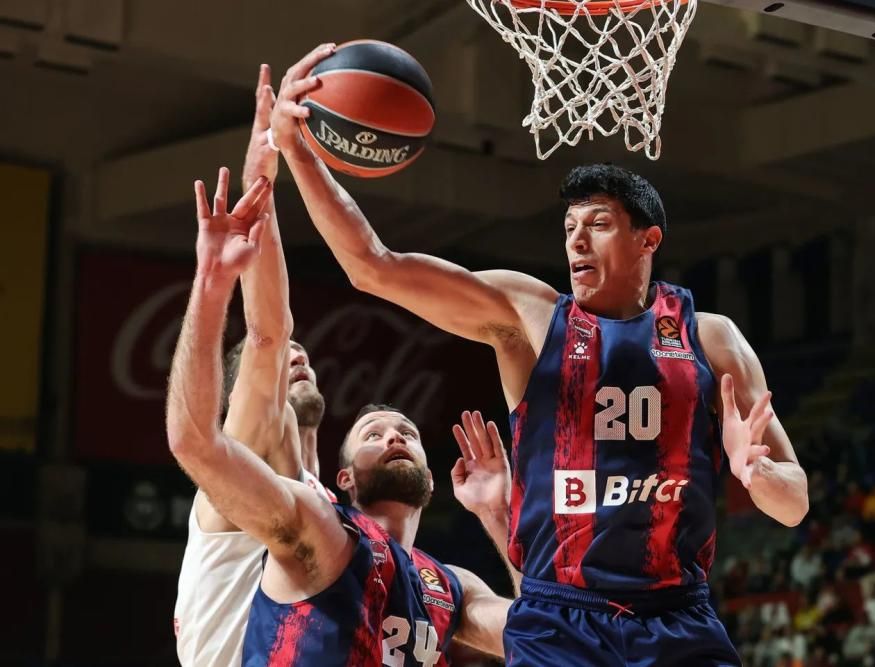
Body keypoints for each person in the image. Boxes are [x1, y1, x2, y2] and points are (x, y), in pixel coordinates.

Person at [270, 45, 809, 666]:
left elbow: (793, 505)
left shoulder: (711, 339)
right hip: (560, 619)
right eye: (569, 228)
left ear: (648, 239)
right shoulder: (529, 318)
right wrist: (298, 152)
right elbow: (374, 267)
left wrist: (757, 472)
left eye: (598, 224)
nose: (576, 240)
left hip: (676, 616)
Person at [166, 162, 512, 665]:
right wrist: (260, 190)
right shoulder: (292, 488)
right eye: (374, 431)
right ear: (349, 475)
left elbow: (547, 638)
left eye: (407, 431)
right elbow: (266, 335)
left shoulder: (436, 578)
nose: (394, 437)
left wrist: (500, 516)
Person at [173, 61, 329, 666]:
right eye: (286, 361)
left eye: (305, 357)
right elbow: (267, 333)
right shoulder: (247, 454)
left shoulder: (321, 499)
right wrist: (262, 177)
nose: (298, 355)